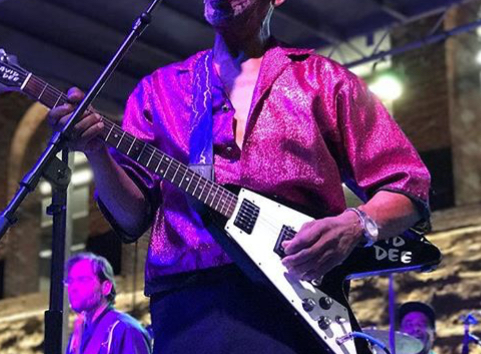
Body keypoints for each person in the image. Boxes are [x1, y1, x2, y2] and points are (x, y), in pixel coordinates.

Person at [47, 0, 431, 352]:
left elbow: (406, 185)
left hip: (297, 304)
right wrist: (97, 154)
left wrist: (356, 223)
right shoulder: (160, 91)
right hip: (188, 311)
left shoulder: (325, 82)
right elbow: (131, 218)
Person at [65, 252, 151, 354]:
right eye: (70, 281)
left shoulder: (126, 330)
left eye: (83, 280)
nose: (73, 288)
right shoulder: (79, 334)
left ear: (106, 287)